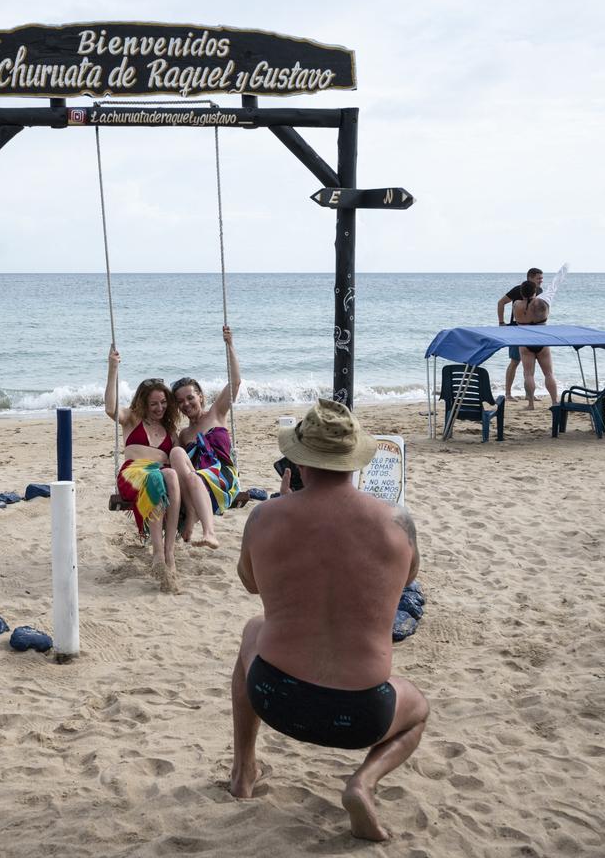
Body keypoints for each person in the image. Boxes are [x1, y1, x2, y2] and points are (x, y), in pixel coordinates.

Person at [228, 399, 428, 841]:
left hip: (275, 696)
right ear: (355, 459)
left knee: (252, 630)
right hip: (362, 716)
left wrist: (283, 518)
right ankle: (363, 781)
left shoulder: (265, 517)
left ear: (299, 458)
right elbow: (407, 578)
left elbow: (250, 584)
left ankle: (244, 772)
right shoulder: (397, 522)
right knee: (417, 711)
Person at [105, 346, 182, 591]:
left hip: (160, 477)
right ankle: (158, 554)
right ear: (143, 403)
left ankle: (168, 552)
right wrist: (113, 369)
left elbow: (180, 461)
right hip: (133, 475)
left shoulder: (171, 432)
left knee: (168, 474)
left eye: (162, 403)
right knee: (157, 475)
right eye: (153, 404)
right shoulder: (132, 419)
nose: (159, 408)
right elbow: (110, 407)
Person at [170, 325, 242, 550]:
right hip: (196, 483)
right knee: (177, 453)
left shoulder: (216, 413)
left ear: (200, 396)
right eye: (180, 402)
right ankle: (191, 512)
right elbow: (177, 466)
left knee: (193, 478)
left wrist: (230, 345)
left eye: (190, 398)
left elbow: (235, 383)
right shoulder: (184, 434)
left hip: (222, 478)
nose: (186, 404)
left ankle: (209, 533)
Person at [497, 267, 543, 398]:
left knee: (530, 362)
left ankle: (529, 394)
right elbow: (501, 302)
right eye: (538, 278)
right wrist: (501, 322)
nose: (541, 281)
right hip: (516, 329)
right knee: (515, 361)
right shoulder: (518, 289)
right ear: (530, 278)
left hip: (533, 331)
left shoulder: (539, 291)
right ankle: (508, 394)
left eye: (541, 278)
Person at [511, 283, 559, 409]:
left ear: (522, 293)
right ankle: (554, 402)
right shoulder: (542, 304)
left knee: (528, 374)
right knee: (549, 374)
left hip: (525, 342)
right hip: (542, 341)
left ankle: (531, 404)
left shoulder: (516, 304)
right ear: (535, 292)